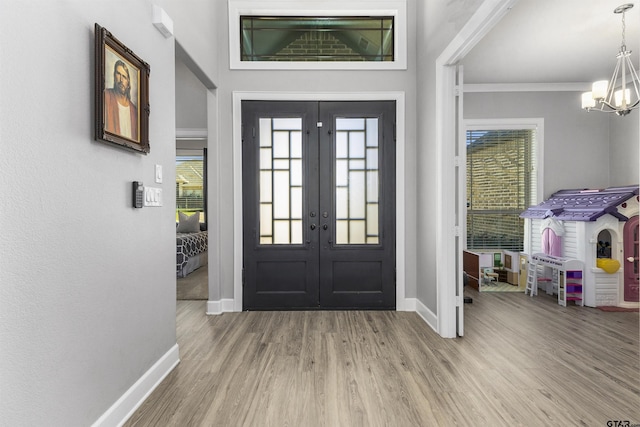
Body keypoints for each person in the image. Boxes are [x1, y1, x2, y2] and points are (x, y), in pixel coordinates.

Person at [104, 59, 138, 140]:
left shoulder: (134, 110)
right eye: (118, 74)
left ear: (128, 83)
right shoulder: (106, 96)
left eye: (124, 77)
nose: (121, 80)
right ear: (114, 76)